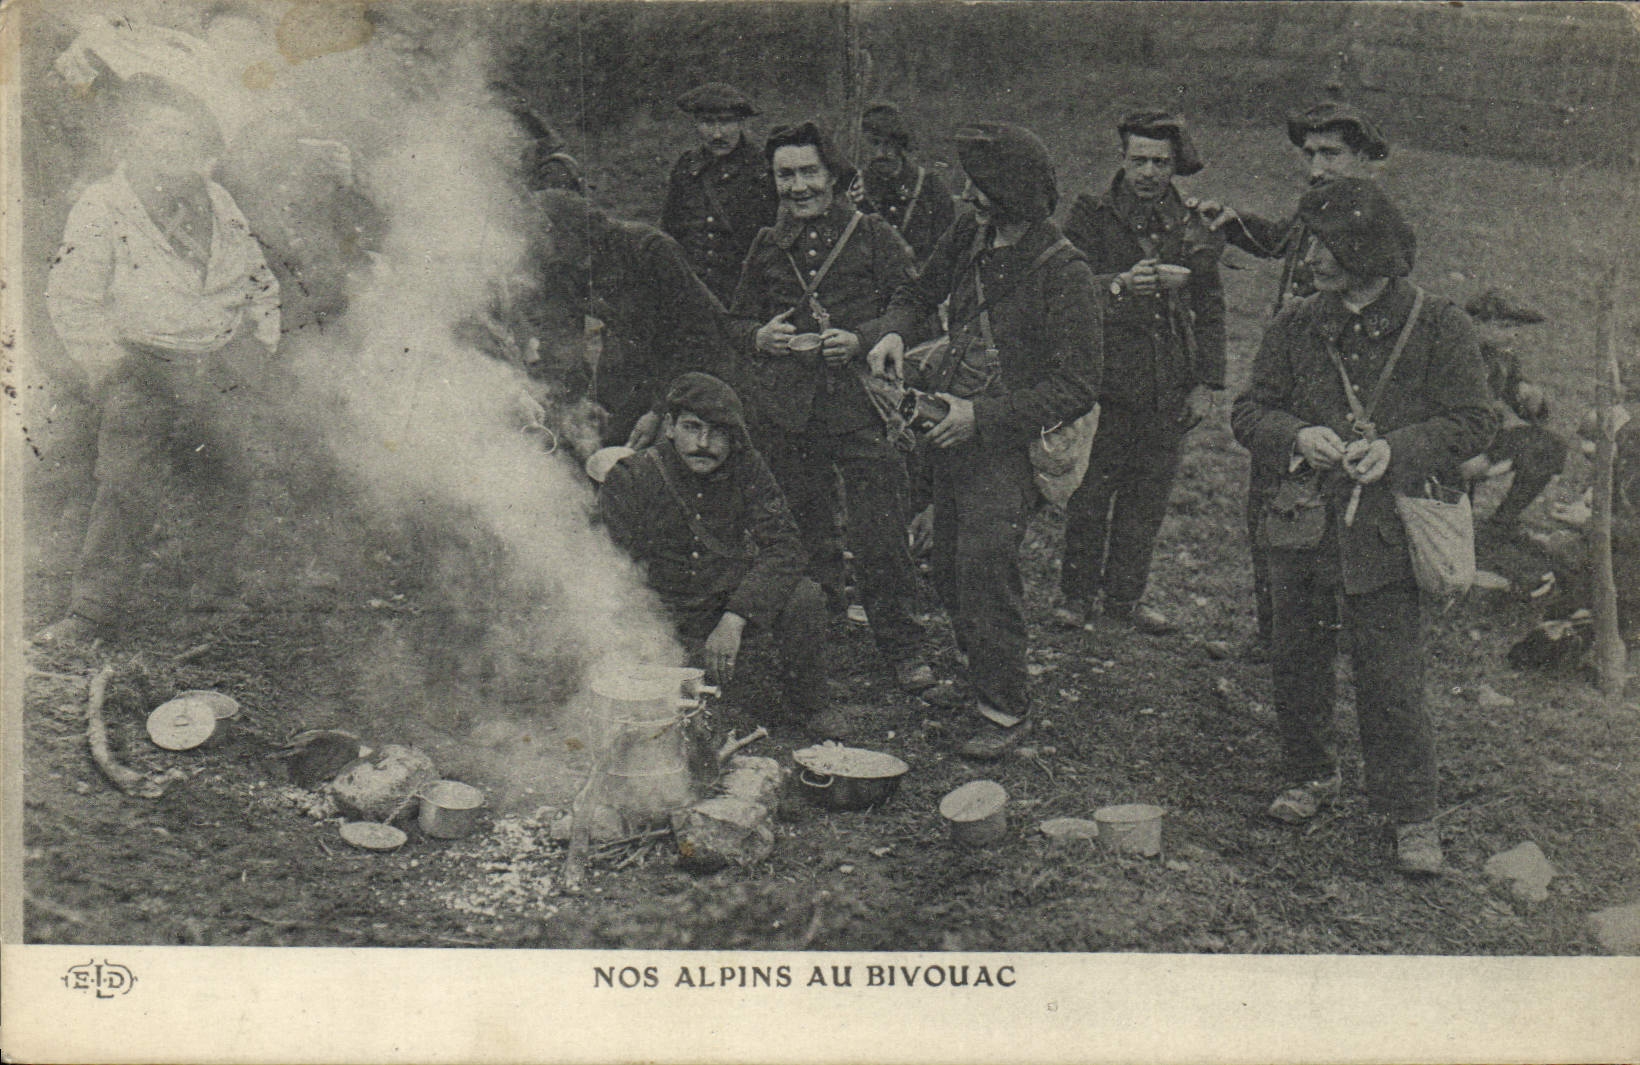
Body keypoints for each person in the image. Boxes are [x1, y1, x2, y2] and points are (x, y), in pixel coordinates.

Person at [1231, 177, 1497, 875]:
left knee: (1390, 676)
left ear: (1370, 254)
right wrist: (1299, 434)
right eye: (1311, 241)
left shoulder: (1439, 326)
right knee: (1296, 658)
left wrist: (1398, 450)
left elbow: (1476, 420)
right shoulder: (1295, 323)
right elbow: (1250, 411)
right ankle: (1309, 773)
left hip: (1386, 534)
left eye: (1329, 245)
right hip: (1303, 527)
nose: (1312, 257)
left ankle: (1413, 814)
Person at [868, 121, 1102, 758]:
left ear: (1013, 195)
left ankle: (1004, 709)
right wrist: (893, 331)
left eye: (981, 185)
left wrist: (984, 417)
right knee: (945, 565)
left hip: (1007, 444)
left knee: (982, 570)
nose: (967, 194)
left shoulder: (1064, 271)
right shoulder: (971, 233)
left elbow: (1077, 385)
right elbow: (919, 290)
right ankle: (983, 675)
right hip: (952, 425)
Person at [34, 78, 281, 647]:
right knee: (125, 488)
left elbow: (258, 277)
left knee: (228, 479)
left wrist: (256, 345)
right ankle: (89, 617)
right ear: (133, 141)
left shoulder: (215, 198)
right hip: (142, 369)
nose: (173, 146)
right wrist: (112, 367)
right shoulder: (103, 204)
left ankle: (211, 607)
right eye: (160, 134)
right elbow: (71, 296)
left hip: (217, 366)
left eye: (185, 135)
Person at [725, 120, 934, 697]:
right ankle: (820, 638)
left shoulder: (872, 235)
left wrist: (865, 338)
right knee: (803, 530)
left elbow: (913, 303)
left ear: (833, 175)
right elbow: (737, 320)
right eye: (784, 175)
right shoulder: (766, 245)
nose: (798, 187)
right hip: (789, 413)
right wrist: (758, 338)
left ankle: (903, 646)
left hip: (861, 409)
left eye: (809, 172)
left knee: (881, 533)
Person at [1200, 102, 1394, 655]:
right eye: (1309, 154)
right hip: (1288, 376)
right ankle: (1276, 635)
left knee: (1323, 517)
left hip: (1339, 388)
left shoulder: (1374, 222)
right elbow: (1285, 241)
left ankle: (1317, 641)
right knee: (1269, 503)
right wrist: (1233, 222)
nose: (1315, 167)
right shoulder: (1318, 206)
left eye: (1330, 153)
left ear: (1364, 158)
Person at [599, 373, 843, 738]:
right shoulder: (633, 476)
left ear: (735, 437)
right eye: (691, 427)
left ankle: (810, 702)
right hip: (655, 608)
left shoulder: (747, 468)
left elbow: (785, 546)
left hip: (720, 599)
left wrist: (736, 617)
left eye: (717, 432)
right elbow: (610, 568)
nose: (703, 443)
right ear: (668, 426)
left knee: (803, 595)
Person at [1056, 110, 1225, 635]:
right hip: (1101, 381)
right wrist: (1120, 284)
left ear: (1174, 166)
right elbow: (1062, 290)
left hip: (1167, 384)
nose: (1149, 172)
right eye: (1139, 160)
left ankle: (1125, 599)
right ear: (1122, 159)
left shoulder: (1191, 221)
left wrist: (1207, 382)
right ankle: (1075, 595)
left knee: (1146, 501)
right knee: (1089, 494)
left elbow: (1211, 304)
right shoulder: (1092, 215)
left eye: (1160, 162)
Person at [527, 190, 735, 449]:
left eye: (544, 241)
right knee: (605, 441)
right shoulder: (561, 263)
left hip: (701, 360)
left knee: (671, 445)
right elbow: (560, 340)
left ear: (569, 231)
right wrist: (564, 402)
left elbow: (697, 334)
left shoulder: (648, 248)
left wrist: (659, 411)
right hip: (637, 365)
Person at [660, 82, 779, 304]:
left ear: (741, 123)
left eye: (726, 122)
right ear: (696, 124)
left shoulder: (763, 169)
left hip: (746, 295)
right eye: (707, 123)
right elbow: (670, 232)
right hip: (694, 294)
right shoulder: (686, 167)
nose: (717, 134)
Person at [850, 101, 956, 264]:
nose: (880, 153)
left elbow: (946, 252)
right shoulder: (854, 188)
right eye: (874, 143)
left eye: (888, 144)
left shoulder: (930, 188)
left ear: (900, 144)